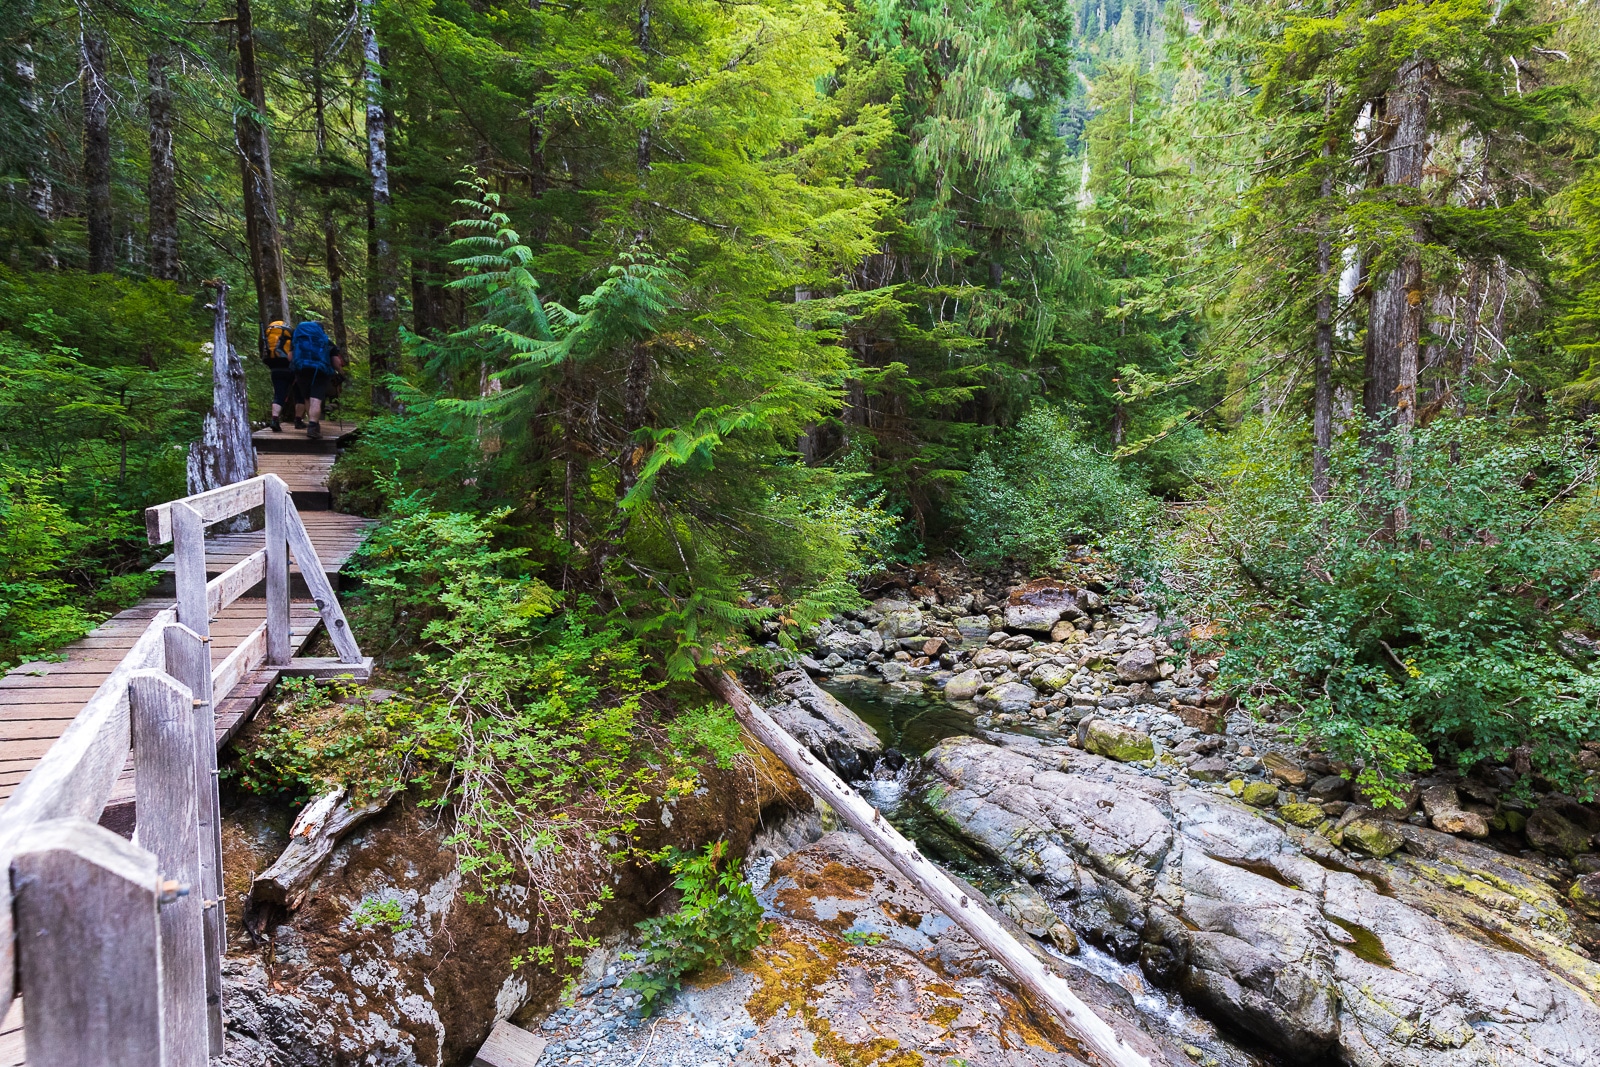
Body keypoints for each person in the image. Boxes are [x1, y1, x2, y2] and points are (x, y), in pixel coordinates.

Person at [289, 321, 344, 440]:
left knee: (307, 398)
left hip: (301, 371)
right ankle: (313, 426)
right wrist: (340, 372)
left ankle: (313, 424)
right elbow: (336, 362)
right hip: (320, 371)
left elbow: (290, 357)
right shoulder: (326, 342)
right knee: (316, 399)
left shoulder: (298, 341)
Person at [262, 320, 303, 432]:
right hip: (291, 367)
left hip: (275, 367)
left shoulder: (268, 334)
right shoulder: (292, 334)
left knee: (278, 395)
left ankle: (274, 420)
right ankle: (298, 421)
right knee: (299, 395)